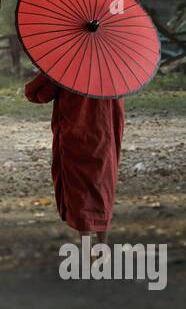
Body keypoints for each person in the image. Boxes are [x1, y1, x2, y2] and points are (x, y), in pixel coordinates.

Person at [24, 71, 124, 243]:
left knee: (80, 193)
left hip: (76, 136)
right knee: (102, 187)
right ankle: (103, 246)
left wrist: (48, 72)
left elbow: (37, 94)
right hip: (106, 135)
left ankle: (88, 254)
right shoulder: (113, 68)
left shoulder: (67, 66)